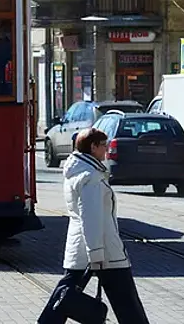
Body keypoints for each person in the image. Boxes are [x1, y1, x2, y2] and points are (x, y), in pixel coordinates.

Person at [37, 128, 150, 324]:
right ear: (93, 147)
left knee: (66, 292)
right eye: (103, 145)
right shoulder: (91, 178)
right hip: (103, 249)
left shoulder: (80, 172)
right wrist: (96, 253)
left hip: (83, 247)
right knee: (127, 302)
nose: (106, 149)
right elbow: (92, 217)